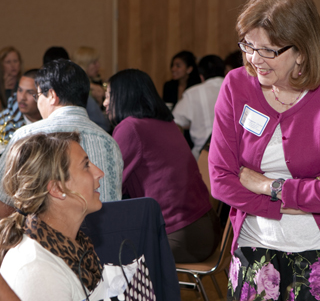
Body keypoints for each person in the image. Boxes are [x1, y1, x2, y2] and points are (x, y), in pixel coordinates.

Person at [209, 0, 320, 300]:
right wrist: (288, 204)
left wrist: (271, 187)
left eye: (268, 50)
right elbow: (220, 180)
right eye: (248, 45)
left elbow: (244, 180)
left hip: (315, 253)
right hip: (253, 250)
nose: (254, 59)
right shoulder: (236, 85)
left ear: (301, 50)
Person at [104, 68, 221, 263]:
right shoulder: (166, 123)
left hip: (181, 237)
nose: (105, 103)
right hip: (206, 229)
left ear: (124, 96)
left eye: (109, 96)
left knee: (103, 249)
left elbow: (109, 186)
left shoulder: (130, 127)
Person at [0, 59, 123, 219]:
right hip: (107, 239)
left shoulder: (26, 136)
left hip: (45, 241)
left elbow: (4, 203)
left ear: (51, 95)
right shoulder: (110, 143)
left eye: (37, 96)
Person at [0, 132, 104, 300]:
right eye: (86, 165)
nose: (99, 173)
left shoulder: (74, 245)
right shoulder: (37, 270)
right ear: (57, 189)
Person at [43, 46, 110, 132]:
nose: (98, 65)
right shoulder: (81, 90)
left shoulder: (97, 84)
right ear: (84, 64)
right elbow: (102, 123)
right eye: (94, 62)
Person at [173, 55, 225, 159]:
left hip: (205, 156)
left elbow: (175, 121)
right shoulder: (238, 88)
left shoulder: (193, 93)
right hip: (237, 156)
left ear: (201, 76)